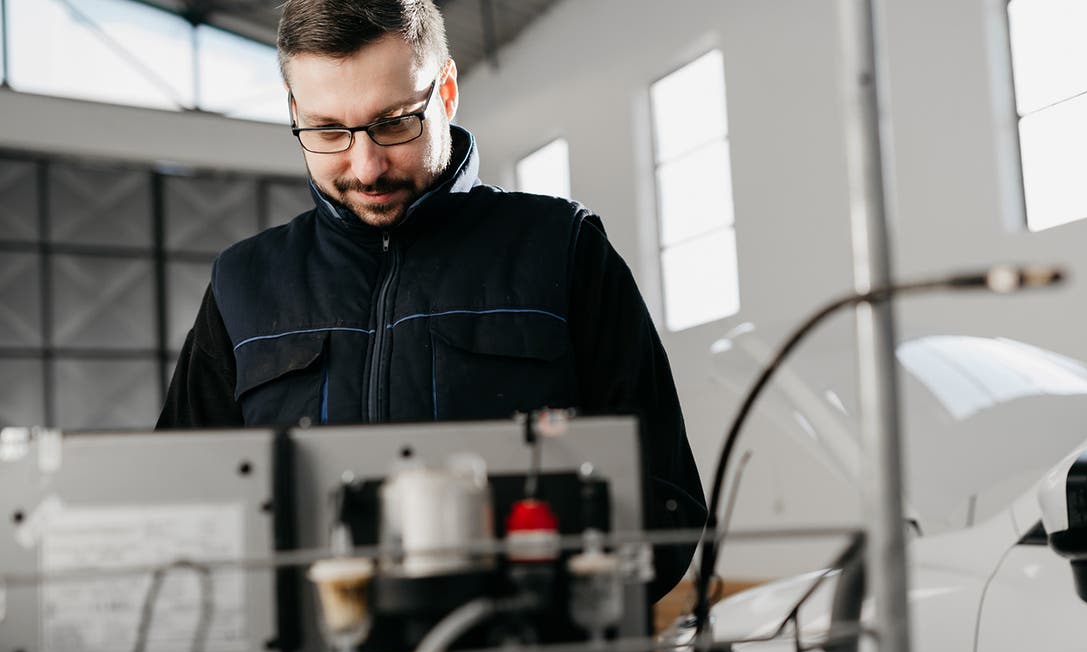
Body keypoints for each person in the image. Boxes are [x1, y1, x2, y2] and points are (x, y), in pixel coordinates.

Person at [157, 0, 706, 602]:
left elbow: (664, 497)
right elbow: (176, 504)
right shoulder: (245, 282)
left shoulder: (562, 250)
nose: (366, 167)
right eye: (328, 130)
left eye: (394, 123)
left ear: (445, 89)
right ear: (294, 110)